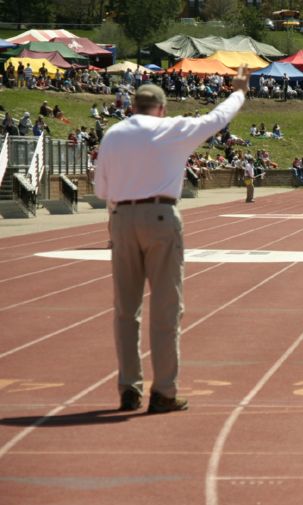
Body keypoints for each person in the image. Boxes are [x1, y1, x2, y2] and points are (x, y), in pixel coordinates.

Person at [93, 67, 249, 414]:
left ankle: (128, 388)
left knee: (125, 310)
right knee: (166, 309)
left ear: (132, 107)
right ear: (161, 108)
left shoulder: (113, 134)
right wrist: (239, 91)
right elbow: (217, 118)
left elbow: (101, 189)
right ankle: (163, 391)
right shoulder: (172, 129)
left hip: (120, 219)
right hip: (161, 217)